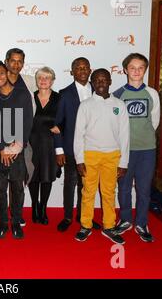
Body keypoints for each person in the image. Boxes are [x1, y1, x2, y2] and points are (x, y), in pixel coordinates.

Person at [0, 48, 37, 227]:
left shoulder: (26, 86)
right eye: (13, 60)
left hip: (20, 144)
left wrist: (16, 145)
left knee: (17, 184)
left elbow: (27, 118)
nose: (16, 64)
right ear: (6, 62)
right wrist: (3, 147)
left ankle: (16, 217)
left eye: (20, 61)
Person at [73, 69, 129, 244]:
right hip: (90, 155)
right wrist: (79, 160)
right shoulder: (86, 105)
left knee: (108, 192)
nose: (100, 83)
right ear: (92, 82)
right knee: (88, 192)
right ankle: (85, 225)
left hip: (112, 156)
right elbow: (78, 135)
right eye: (96, 80)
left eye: (104, 80)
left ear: (110, 81)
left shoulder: (119, 105)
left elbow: (125, 135)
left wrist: (124, 162)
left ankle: (109, 226)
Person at [113, 53, 160, 243]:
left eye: (141, 68)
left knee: (143, 189)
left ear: (145, 70)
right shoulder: (117, 94)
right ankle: (125, 219)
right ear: (125, 70)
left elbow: (154, 121)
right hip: (124, 151)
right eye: (132, 67)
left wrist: (143, 137)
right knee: (123, 188)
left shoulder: (152, 93)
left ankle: (141, 222)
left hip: (147, 149)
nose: (136, 71)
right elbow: (114, 124)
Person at [54, 57, 101, 232]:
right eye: (78, 68)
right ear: (72, 72)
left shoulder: (99, 91)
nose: (82, 70)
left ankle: (84, 217)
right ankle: (67, 216)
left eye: (85, 67)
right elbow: (57, 125)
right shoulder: (64, 94)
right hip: (72, 149)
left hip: (95, 149)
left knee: (88, 185)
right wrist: (59, 150)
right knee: (70, 183)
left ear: (90, 70)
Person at [29, 67, 61, 225]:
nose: (43, 80)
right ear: (36, 80)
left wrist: (61, 126)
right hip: (31, 143)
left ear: (52, 81)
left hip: (50, 143)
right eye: (40, 77)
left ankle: (43, 208)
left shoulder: (59, 98)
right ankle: (34, 206)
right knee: (33, 177)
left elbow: (67, 118)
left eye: (47, 78)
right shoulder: (30, 97)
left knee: (47, 176)